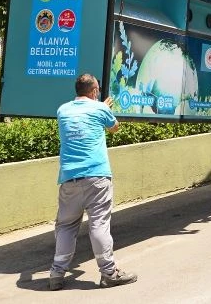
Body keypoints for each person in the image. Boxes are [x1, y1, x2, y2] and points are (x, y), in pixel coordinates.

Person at [49, 73, 137, 290]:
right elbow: (114, 127)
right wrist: (104, 108)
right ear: (94, 90)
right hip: (97, 177)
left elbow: (83, 117)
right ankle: (109, 273)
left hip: (69, 178)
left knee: (66, 226)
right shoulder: (100, 109)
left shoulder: (62, 110)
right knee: (98, 223)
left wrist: (100, 107)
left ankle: (56, 274)